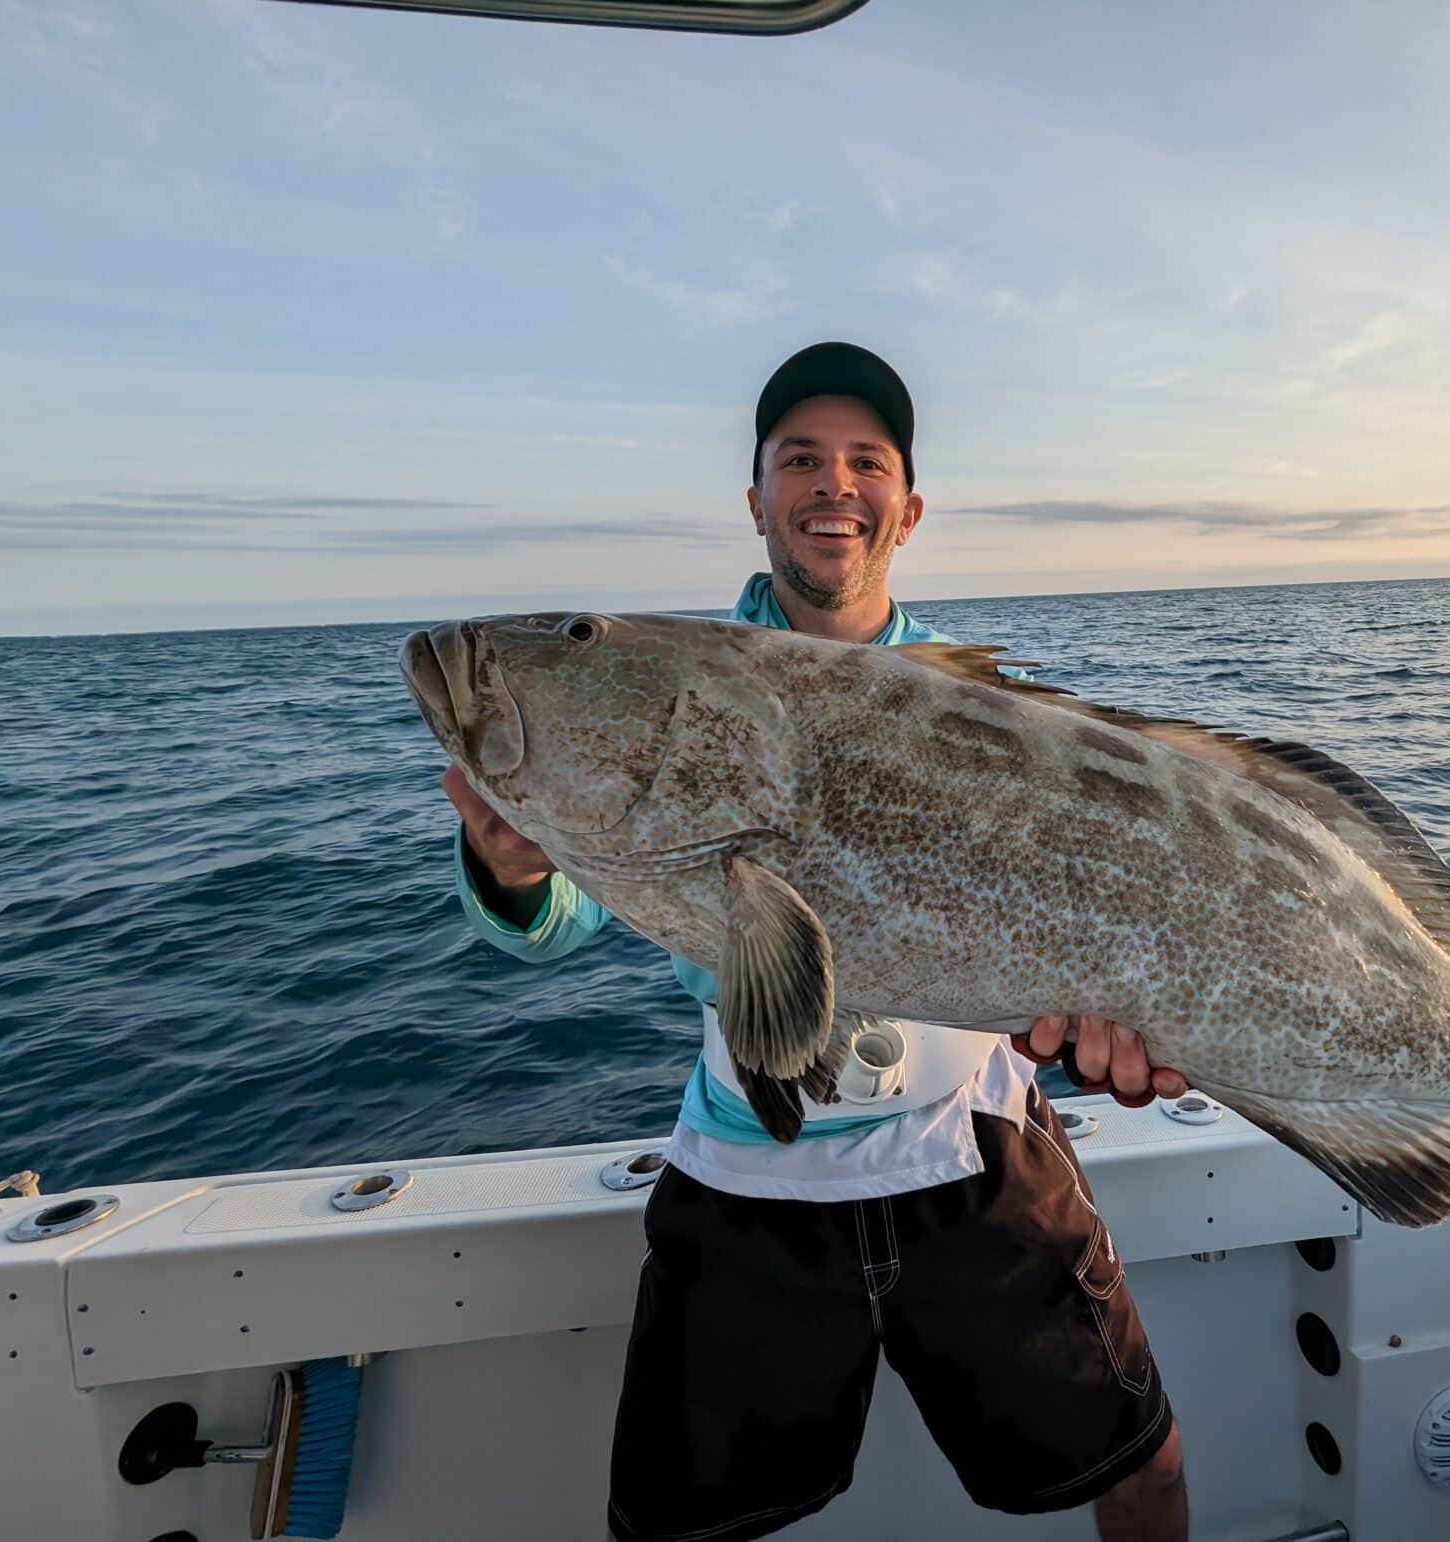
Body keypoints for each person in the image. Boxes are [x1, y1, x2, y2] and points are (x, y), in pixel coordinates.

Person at [445, 342, 1190, 1542]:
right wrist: (512, 864)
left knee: (1142, 1469)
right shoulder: (669, 683)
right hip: (749, 1171)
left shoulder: (988, 705)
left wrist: (1126, 1016)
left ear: (906, 505)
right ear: (755, 500)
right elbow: (553, 922)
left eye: (863, 461)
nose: (831, 484)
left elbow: (1098, 891)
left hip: (976, 1149)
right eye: (800, 459)